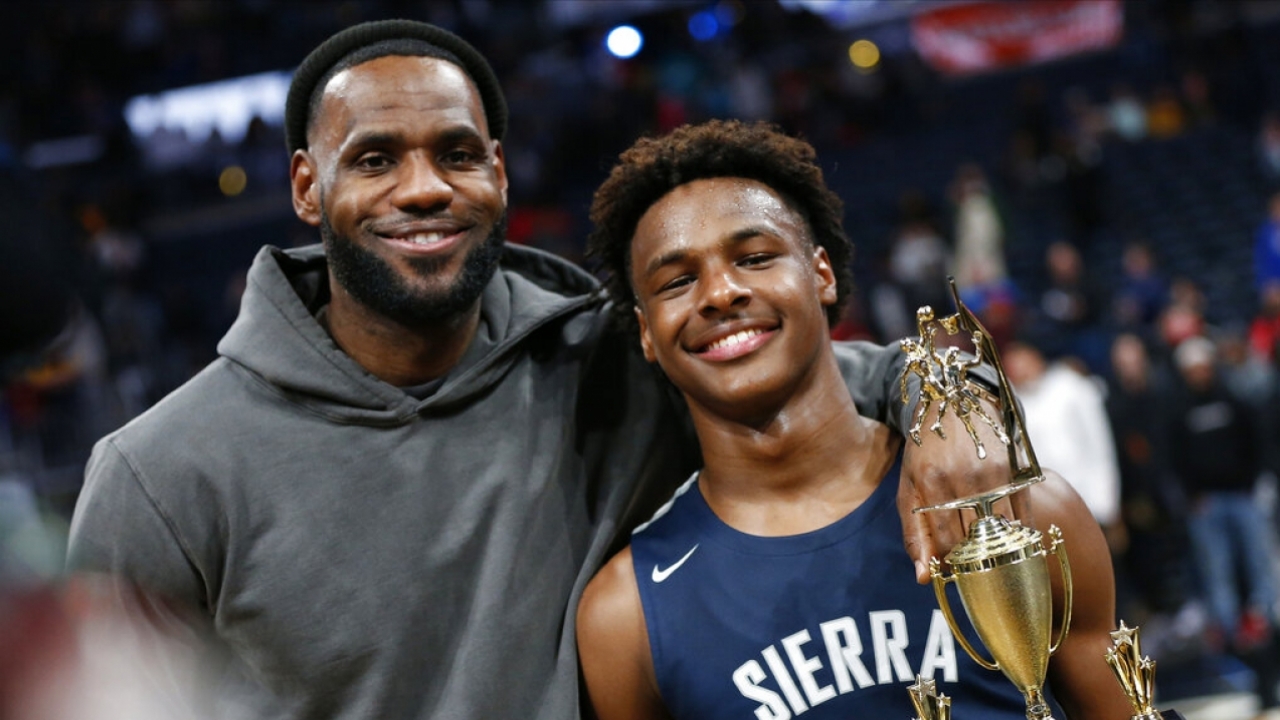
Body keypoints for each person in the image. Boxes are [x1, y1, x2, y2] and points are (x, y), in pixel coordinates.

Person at [64, 19, 1015, 720]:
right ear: (309, 188)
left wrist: (950, 396)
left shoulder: (607, 357)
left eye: (457, 153)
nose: (425, 187)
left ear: (501, 176)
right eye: (375, 158)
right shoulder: (161, 478)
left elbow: (848, 368)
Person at [577, 119, 1129, 720]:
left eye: (755, 257)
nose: (720, 293)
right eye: (678, 281)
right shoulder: (624, 614)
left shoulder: (1022, 512)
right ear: (645, 334)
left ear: (821, 274)